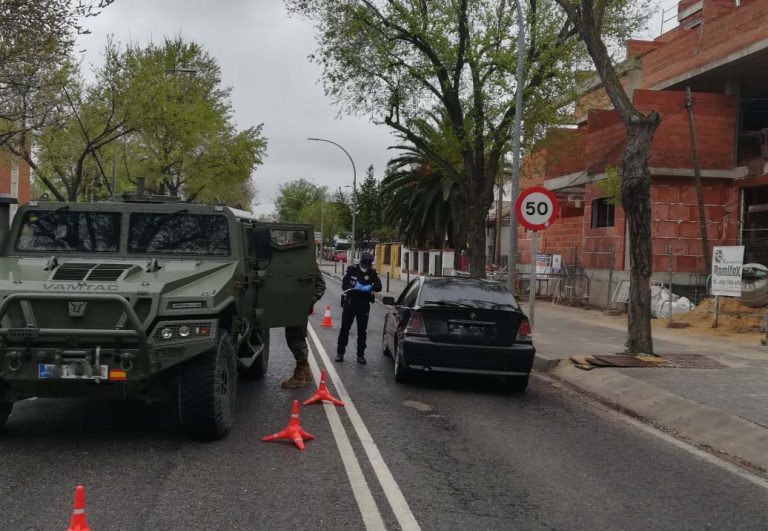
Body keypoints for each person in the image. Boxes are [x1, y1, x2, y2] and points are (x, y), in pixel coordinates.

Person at [281, 262, 326, 389]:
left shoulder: (307, 261)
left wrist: (308, 301)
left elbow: (321, 285)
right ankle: (306, 373)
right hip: (292, 305)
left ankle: (300, 374)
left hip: (299, 306)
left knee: (295, 337)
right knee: (295, 336)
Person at [336, 251, 382, 364]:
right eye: (365, 262)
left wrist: (370, 286)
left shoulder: (372, 273)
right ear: (361, 261)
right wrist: (354, 287)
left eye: (369, 263)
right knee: (344, 328)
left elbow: (378, 286)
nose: (367, 265)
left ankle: (360, 355)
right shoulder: (352, 270)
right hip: (350, 303)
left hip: (363, 304)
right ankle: (340, 353)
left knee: (362, 331)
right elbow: (344, 286)